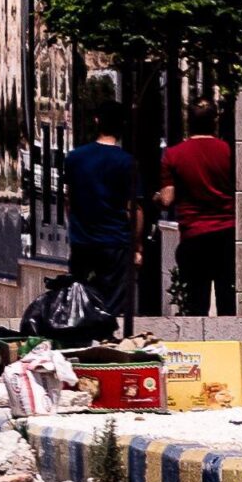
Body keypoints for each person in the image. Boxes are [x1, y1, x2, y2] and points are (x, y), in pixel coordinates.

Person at [65, 102, 140, 327]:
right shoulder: (127, 162)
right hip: (115, 244)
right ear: (122, 125)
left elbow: (68, 200)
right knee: (111, 307)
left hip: (82, 244)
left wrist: (76, 228)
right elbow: (134, 209)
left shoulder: (74, 158)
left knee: (79, 303)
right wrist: (137, 246)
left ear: (97, 121)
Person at [161, 100, 236, 316]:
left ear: (189, 121)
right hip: (226, 233)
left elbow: (166, 199)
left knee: (196, 303)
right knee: (227, 298)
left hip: (193, 234)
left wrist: (156, 197)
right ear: (214, 121)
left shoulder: (173, 154)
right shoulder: (228, 151)